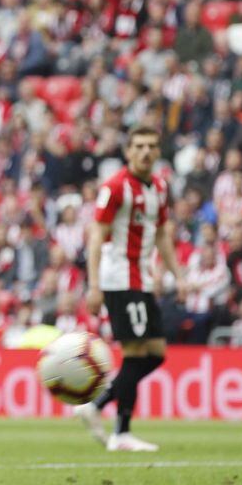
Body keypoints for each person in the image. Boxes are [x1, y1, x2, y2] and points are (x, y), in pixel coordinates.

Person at [74, 127, 187, 452]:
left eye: (152, 146)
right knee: (139, 354)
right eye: (139, 146)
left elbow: (163, 234)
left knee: (153, 354)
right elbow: (96, 237)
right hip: (120, 279)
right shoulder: (115, 187)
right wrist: (94, 286)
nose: (146, 152)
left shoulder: (159, 187)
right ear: (128, 152)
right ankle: (108, 416)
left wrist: (178, 276)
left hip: (142, 279)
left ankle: (111, 420)